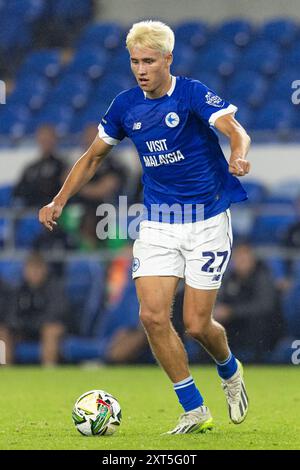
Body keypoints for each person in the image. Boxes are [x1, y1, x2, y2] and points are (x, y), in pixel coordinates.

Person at [39, 20, 251, 434]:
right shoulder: (124, 105)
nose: (141, 69)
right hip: (157, 222)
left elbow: (235, 130)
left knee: (195, 325)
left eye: (149, 61)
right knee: (152, 317)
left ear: (167, 59)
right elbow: (92, 158)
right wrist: (59, 200)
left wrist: (239, 155)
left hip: (207, 221)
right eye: (135, 61)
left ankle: (229, 369)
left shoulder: (191, 93)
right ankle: (193, 409)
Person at [214, 241, 283, 361]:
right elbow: (220, 300)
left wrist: (232, 312)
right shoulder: (230, 278)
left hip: (261, 329)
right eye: (238, 257)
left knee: (259, 323)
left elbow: (264, 306)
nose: (241, 261)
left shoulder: (262, 276)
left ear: (252, 259)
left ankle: (257, 360)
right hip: (235, 326)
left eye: (244, 257)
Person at [2, 252, 68, 365]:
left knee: (50, 330)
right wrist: (16, 325)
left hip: (46, 328)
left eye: (37, 269)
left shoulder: (54, 288)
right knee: (2, 332)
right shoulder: (19, 290)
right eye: (31, 269)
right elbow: (11, 313)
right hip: (24, 329)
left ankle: (49, 371)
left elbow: (57, 313)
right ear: (25, 271)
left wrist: (35, 324)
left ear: (44, 270)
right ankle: (5, 371)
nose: (34, 273)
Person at [13, 124, 67, 208]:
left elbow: (60, 190)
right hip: (31, 210)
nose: (46, 141)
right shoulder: (31, 167)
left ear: (55, 140)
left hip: (53, 209)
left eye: (49, 138)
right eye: (43, 138)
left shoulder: (62, 165)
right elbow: (18, 190)